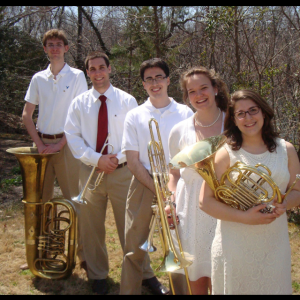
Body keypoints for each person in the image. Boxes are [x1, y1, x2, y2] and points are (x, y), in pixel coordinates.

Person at [199, 89, 300, 295]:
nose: (248, 117)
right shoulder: (225, 153)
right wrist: (244, 217)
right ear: (234, 120)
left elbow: (297, 190)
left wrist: (285, 203)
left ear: (264, 113)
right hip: (234, 245)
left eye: (253, 110)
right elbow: (205, 202)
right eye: (241, 113)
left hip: (274, 244)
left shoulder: (287, 149)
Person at [64, 51, 138, 295]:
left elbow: (135, 137)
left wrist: (117, 159)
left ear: (109, 68)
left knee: (131, 226)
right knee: (91, 226)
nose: (97, 73)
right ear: (88, 72)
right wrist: (98, 160)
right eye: (92, 69)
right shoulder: (79, 103)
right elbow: (72, 137)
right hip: (90, 170)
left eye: (101, 67)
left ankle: (142, 273)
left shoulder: (127, 100)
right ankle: (97, 275)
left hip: (122, 172)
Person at [120, 58, 194, 295]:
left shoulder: (185, 112)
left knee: (178, 245)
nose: (155, 83)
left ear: (168, 80)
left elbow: (191, 154)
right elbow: (132, 160)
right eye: (149, 79)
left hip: (179, 184)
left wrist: (170, 190)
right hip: (143, 182)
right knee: (133, 248)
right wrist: (156, 188)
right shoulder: (134, 115)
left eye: (159, 77)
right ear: (143, 84)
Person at [21, 29, 88, 270]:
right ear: (45, 49)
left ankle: (83, 256)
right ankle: (42, 252)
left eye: (59, 44)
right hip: (41, 147)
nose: (55, 48)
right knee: (41, 203)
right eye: (50, 44)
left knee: (75, 201)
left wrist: (60, 144)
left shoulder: (78, 76)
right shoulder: (38, 78)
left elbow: (80, 115)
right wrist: (39, 144)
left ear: (66, 48)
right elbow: (26, 115)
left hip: (68, 145)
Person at [167, 66, 229, 295]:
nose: (199, 95)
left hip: (227, 205)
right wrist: (170, 199)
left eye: (204, 88)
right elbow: (173, 172)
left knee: (223, 275)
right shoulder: (179, 130)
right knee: (196, 275)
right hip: (190, 208)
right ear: (186, 96)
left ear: (215, 88)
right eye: (192, 91)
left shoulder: (235, 123)